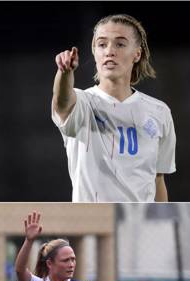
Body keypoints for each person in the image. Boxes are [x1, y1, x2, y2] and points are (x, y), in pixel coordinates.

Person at [51, 14, 176, 202]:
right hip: (91, 226)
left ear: (137, 54)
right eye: (102, 44)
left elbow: (158, 180)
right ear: (94, 51)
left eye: (120, 44)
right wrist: (64, 72)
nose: (109, 51)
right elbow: (61, 101)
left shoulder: (159, 112)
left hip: (139, 227)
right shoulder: (82, 103)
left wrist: (162, 226)